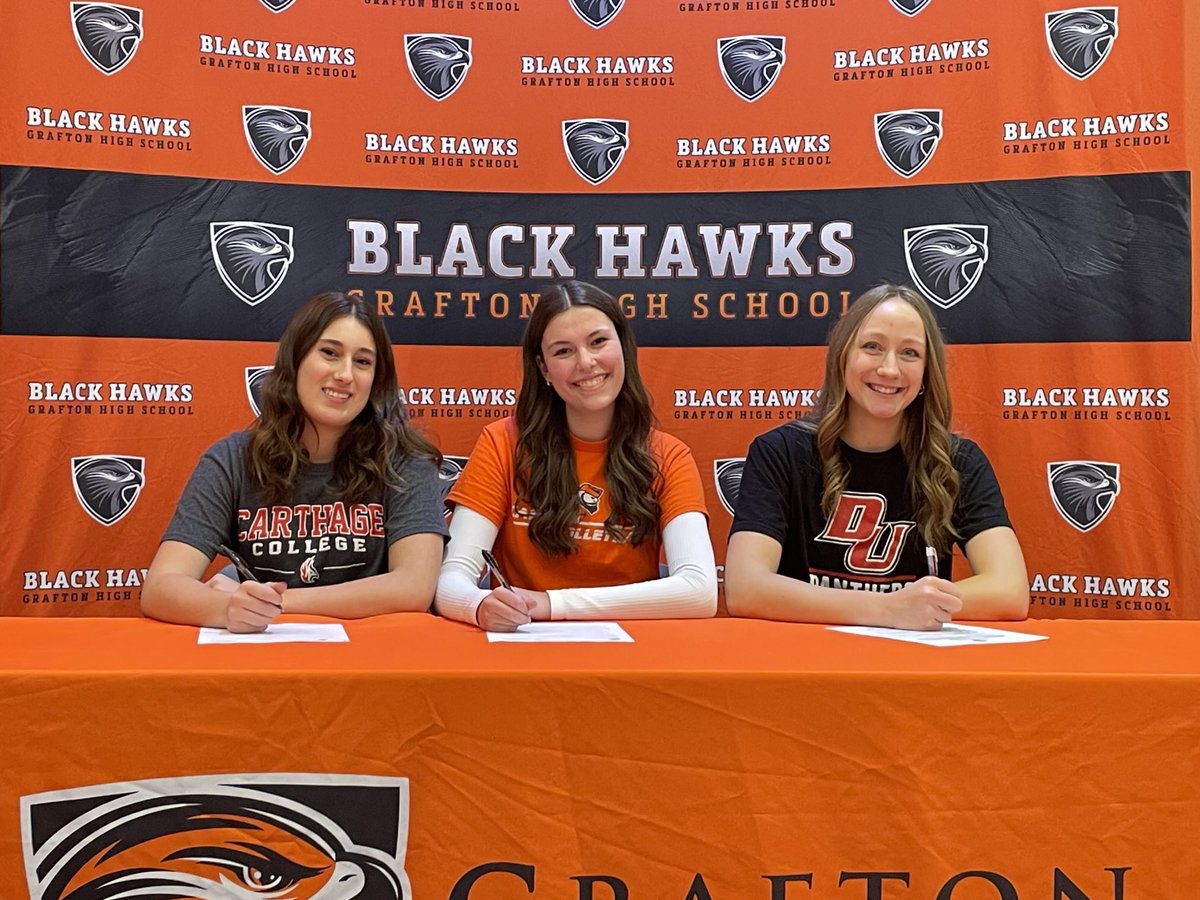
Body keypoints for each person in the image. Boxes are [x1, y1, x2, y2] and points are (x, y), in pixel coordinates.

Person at [724, 283, 1028, 630]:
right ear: (842, 357)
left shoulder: (958, 461)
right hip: (807, 662)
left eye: (910, 353)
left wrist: (918, 607)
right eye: (872, 347)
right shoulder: (779, 453)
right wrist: (888, 610)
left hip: (911, 668)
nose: (889, 369)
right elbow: (745, 587)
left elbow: (1009, 590)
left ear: (927, 371)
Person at [141, 291, 448, 632]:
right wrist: (229, 608)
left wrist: (277, 604)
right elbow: (160, 588)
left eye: (362, 362)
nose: (345, 374)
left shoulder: (405, 461)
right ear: (296, 360)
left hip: (375, 662)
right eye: (330, 353)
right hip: (265, 665)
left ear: (377, 380)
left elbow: (414, 587)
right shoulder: (232, 459)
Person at [435, 280, 717, 631]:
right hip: (522, 647)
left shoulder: (667, 456)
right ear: (543, 369)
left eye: (598, 342)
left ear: (624, 347)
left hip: (633, 655)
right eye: (563, 351)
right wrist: (478, 605)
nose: (586, 362)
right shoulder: (502, 443)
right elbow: (450, 581)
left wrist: (553, 604)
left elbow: (700, 591)